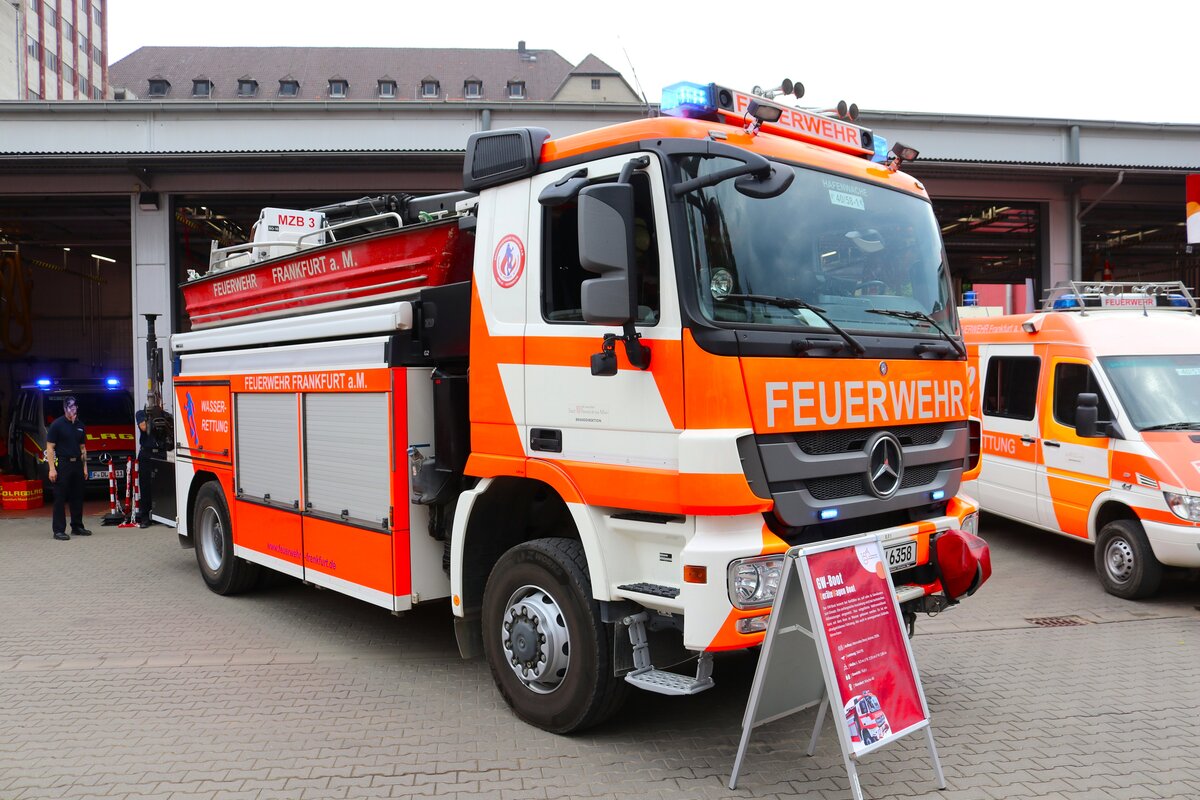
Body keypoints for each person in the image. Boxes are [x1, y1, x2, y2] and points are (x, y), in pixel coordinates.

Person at [45, 395, 91, 541]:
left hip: (77, 463)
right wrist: (52, 468)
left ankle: (77, 526)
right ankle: (58, 530)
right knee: (60, 497)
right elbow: (50, 447)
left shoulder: (80, 425)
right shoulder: (57, 425)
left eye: (75, 406)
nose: (74, 409)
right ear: (65, 408)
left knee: (77, 496)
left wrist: (84, 467)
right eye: (71, 406)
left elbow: (83, 448)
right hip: (63, 464)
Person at [135, 409, 153, 528]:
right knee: (145, 486)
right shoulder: (141, 414)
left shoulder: (162, 416)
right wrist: (149, 419)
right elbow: (144, 428)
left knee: (161, 486)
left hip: (158, 454)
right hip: (146, 455)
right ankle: (145, 517)